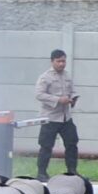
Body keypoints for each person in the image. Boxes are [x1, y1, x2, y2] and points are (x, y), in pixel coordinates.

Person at [35, 49, 80, 180]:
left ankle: (72, 171)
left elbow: (72, 91)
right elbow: (39, 94)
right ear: (52, 61)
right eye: (58, 61)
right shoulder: (45, 77)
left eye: (63, 61)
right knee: (46, 146)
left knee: (72, 144)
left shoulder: (67, 75)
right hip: (50, 117)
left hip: (66, 117)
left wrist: (74, 98)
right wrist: (58, 99)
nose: (61, 64)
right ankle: (42, 173)